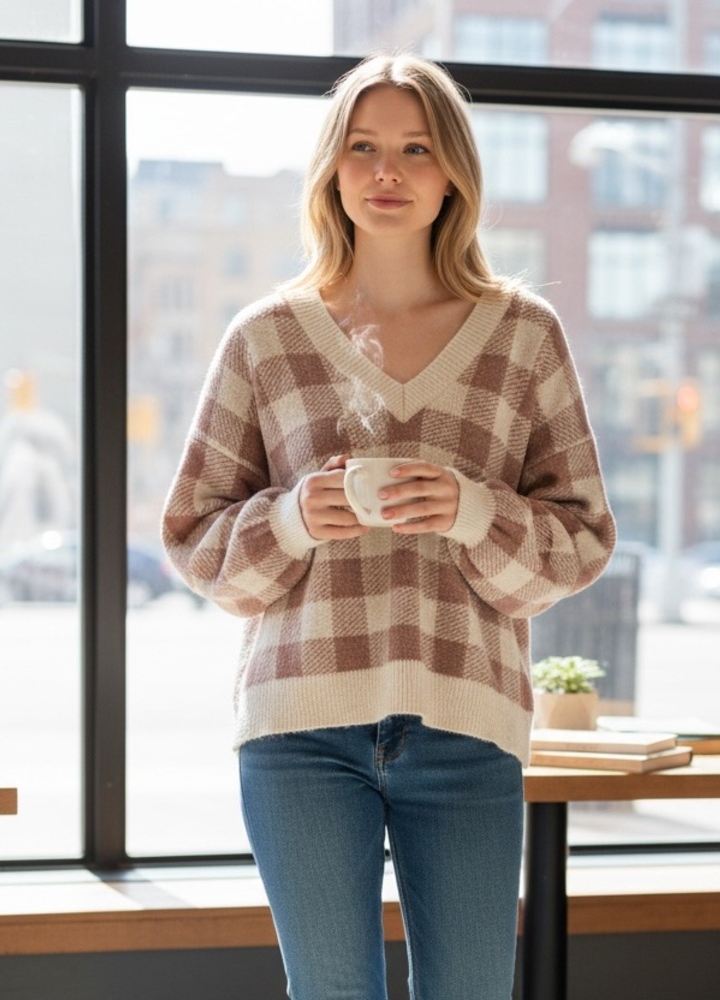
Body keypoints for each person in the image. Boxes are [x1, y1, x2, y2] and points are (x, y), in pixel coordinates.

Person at [162, 53, 616, 1000]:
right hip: (300, 731)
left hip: (468, 724)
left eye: (416, 148)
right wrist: (291, 520)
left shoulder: (523, 334)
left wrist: (474, 511)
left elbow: (583, 540)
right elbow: (193, 541)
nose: (388, 172)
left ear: (454, 170)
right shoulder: (265, 337)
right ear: (332, 168)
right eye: (363, 147)